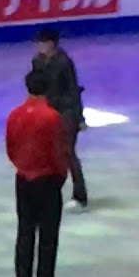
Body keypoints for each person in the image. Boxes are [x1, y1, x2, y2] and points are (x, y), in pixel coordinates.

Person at [6, 71, 69, 277]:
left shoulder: (15, 115)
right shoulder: (51, 117)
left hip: (23, 179)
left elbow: (11, 147)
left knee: (25, 230)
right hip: (47, 179)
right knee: (48, 232)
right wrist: (61, 174)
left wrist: (22, 167)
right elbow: (57, 150)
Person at [31, 27, 88, 209]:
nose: (39, 46)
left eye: (42, 42)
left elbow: (73, 90)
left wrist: (79, 118)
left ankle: (80, 196)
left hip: (66, 112)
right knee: (47, 154)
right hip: (47, 112)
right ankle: (46, 193)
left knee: (68, 153)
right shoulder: (37, 61)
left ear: (51, 44)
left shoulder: (64, 62)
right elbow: (36, 87)